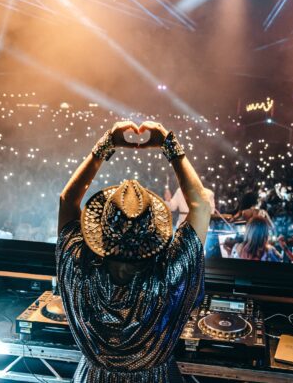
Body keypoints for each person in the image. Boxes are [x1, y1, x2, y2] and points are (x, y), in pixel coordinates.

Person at [56, 121, 210, 382]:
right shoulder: (170, 279)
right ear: (152, 236)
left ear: (100, 233)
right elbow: (201, 203)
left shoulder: (77, 266)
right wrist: (167, 143)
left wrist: (105, 144)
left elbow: (67, 200)